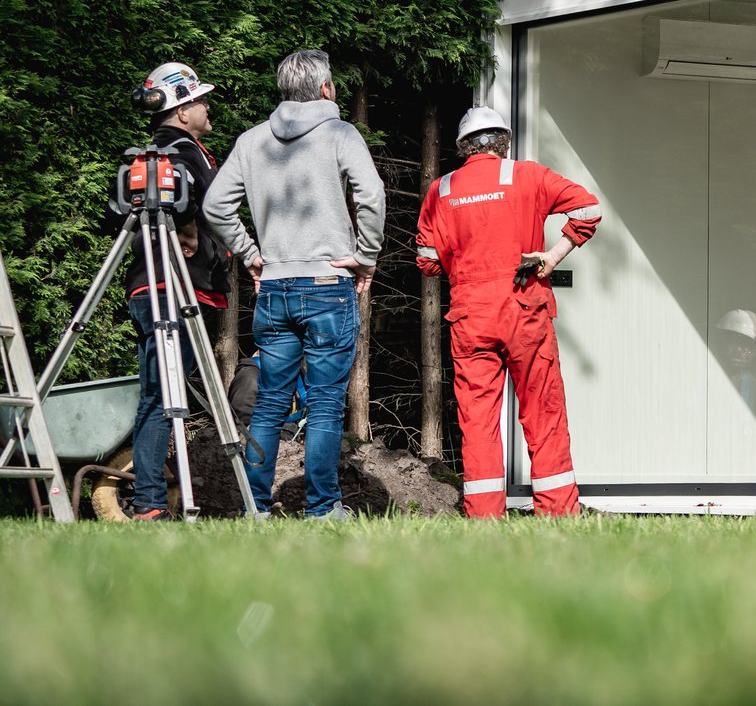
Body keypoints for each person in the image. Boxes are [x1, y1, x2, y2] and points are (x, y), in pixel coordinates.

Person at [204, 49, 384, 520]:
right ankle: (323, 509)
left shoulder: (250, 141)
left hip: (277, 290)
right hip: (328, 283)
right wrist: (366, 256)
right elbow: (372, 194)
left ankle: (255, 507)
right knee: (324, 405)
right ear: (325, 89)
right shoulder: (341, 133)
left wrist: (250, 254)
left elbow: (215, 206)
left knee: (268, 404)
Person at [414, 106, 601, 518]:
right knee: (543, 411)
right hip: (524, 309)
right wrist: (551, 256)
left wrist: (466, 265)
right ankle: (557, 513)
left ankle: (483, 516)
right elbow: (587, 210)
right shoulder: (528, 176)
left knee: (477, 418)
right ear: (504, 140)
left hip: (470, 316)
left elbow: (426, 260)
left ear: (464, 146)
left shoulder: (441, 190)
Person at [120, 62, 228, 521]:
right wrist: (185, 228)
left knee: (156, 393)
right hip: (174, 288)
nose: (207, 108)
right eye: (200, 101)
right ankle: (149, 502)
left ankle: (148, 499)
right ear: (181, 111)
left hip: (149, 286)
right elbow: (183, 198)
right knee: (165, 396)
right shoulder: (182, 151)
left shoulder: (143, 154)